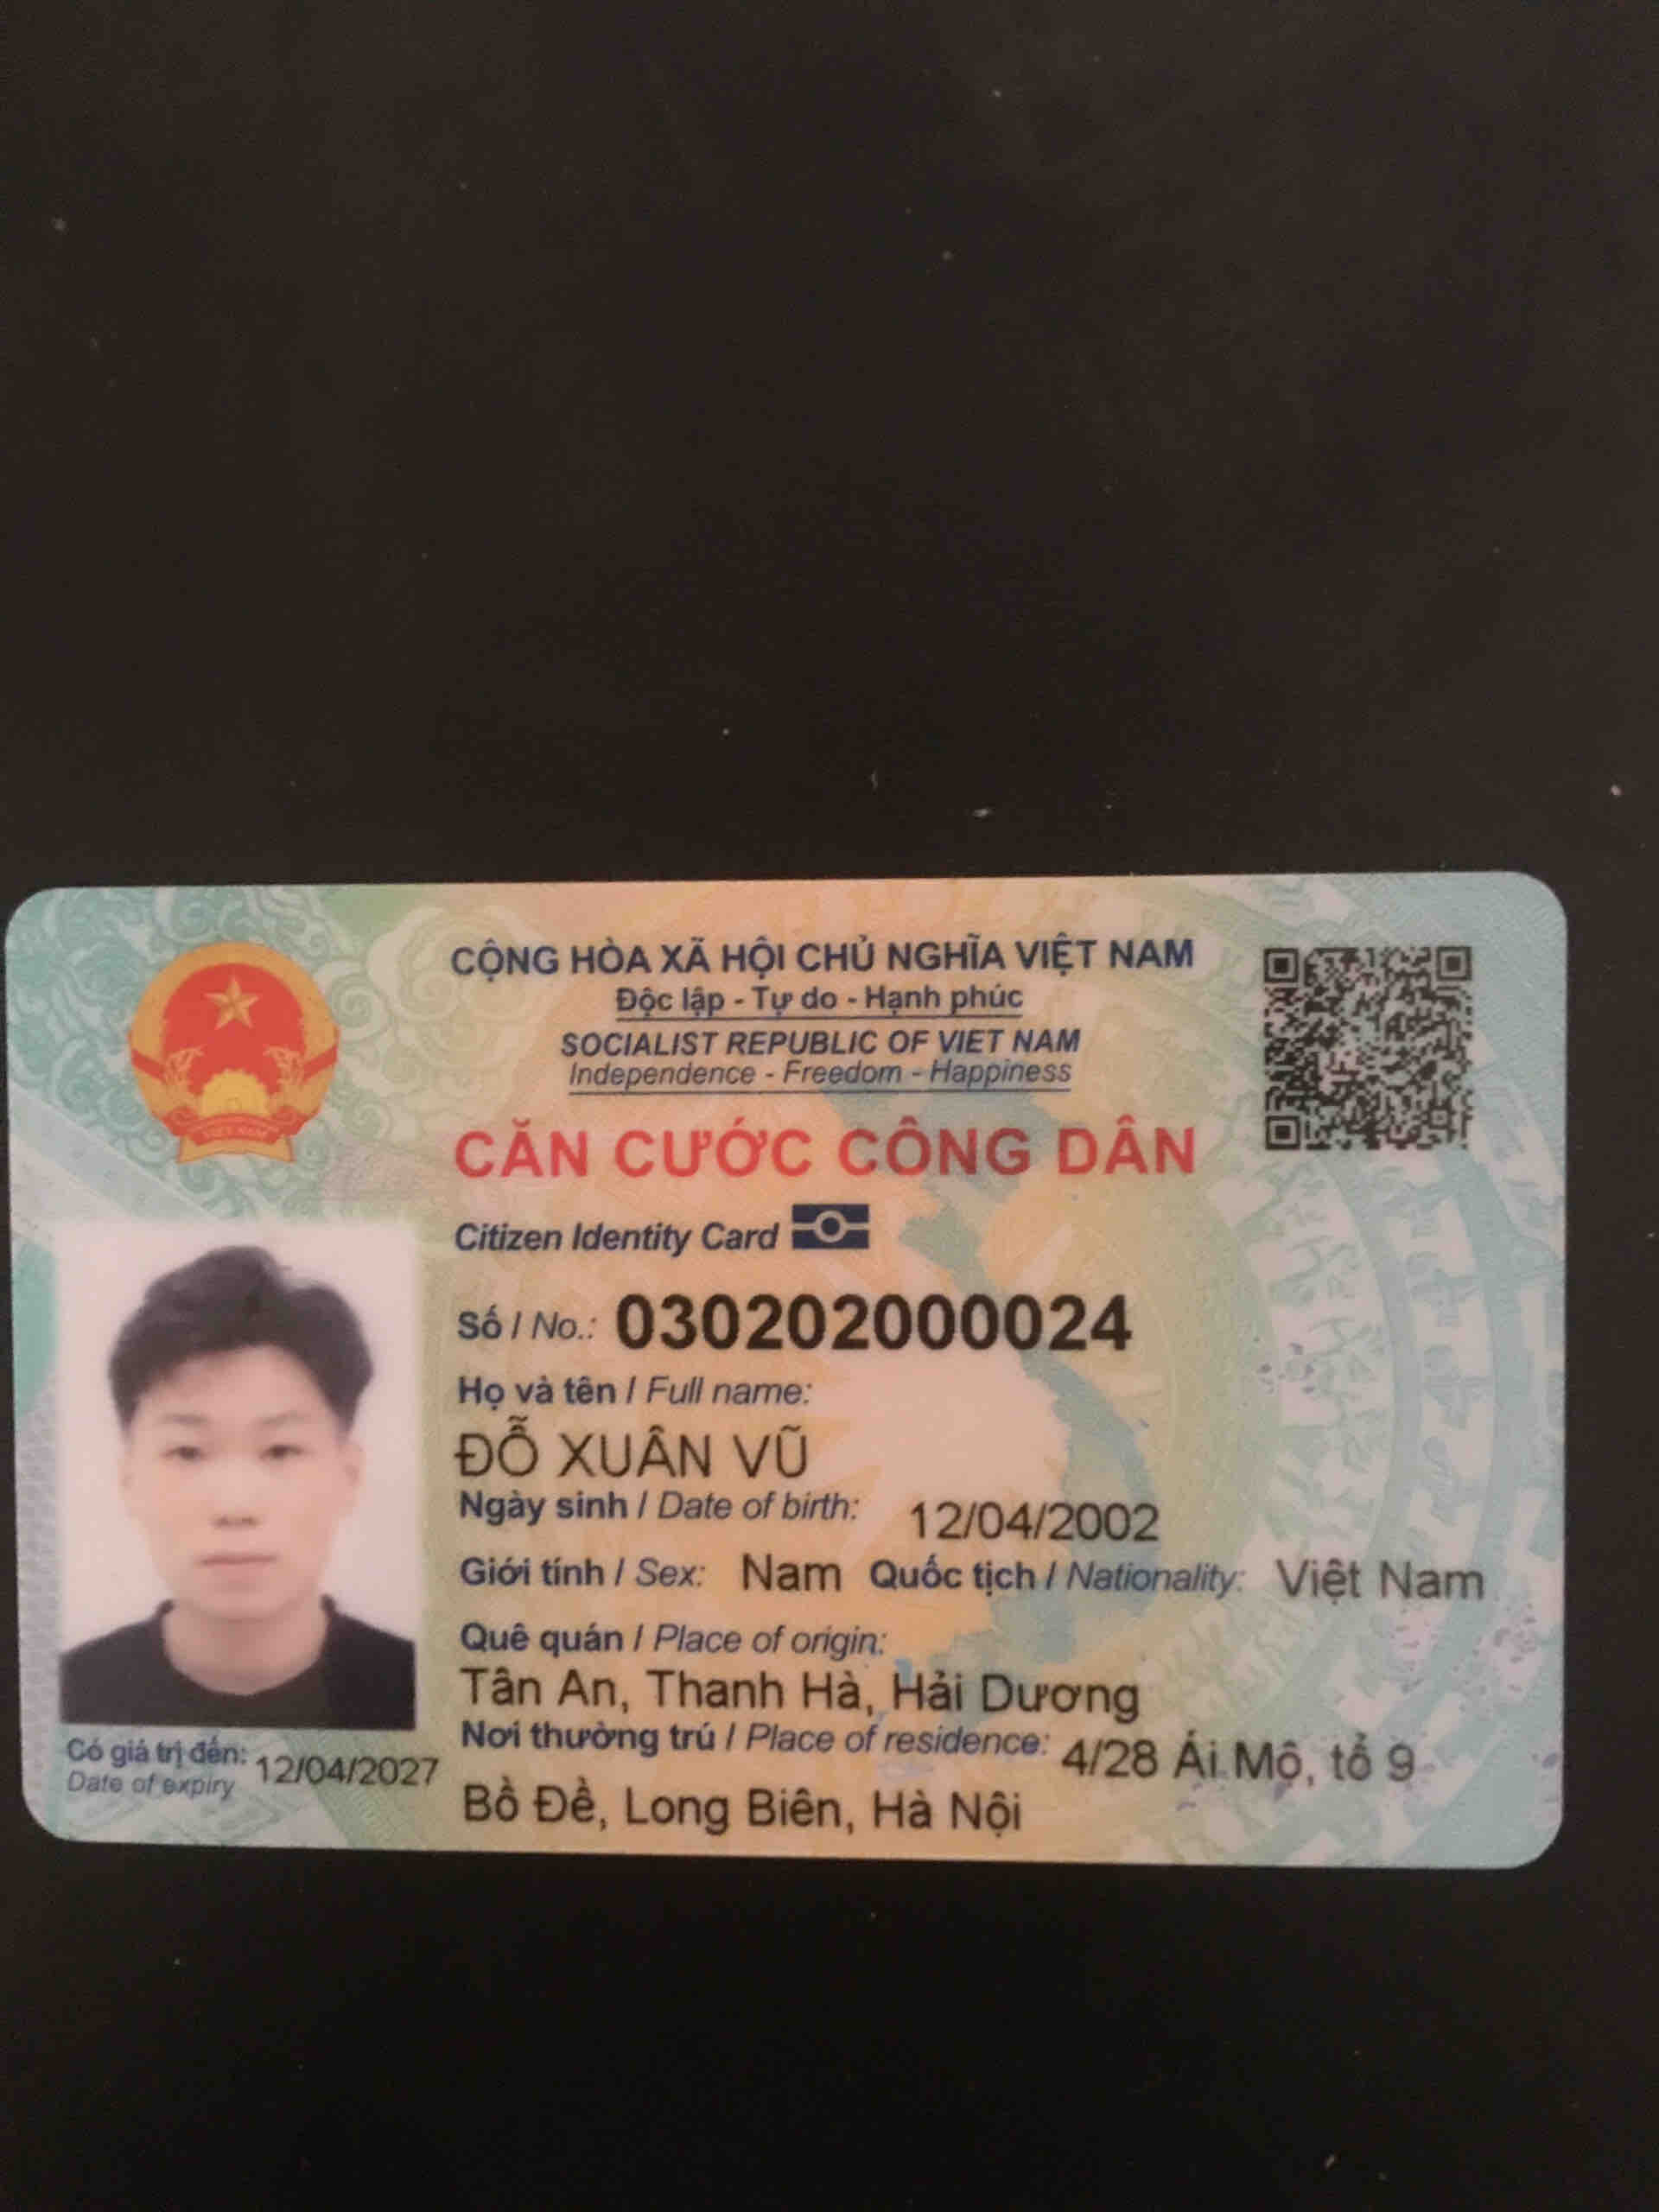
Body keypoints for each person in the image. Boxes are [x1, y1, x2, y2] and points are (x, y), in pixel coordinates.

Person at [60, 1246, 416, 1727]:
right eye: (188, 1452)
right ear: (129, 1480)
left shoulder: (423, 1693)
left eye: (280, 1451)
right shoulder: (63, 1697)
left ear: (348, 1476)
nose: (235, 1505)